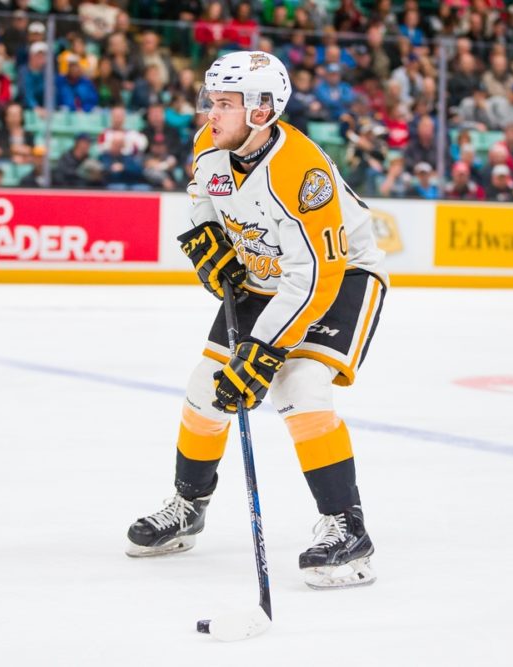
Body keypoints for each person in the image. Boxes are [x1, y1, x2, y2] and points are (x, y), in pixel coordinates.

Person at [125, 51, 387, 589]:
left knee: (300, 385)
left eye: (225, 103)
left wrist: (262, 352)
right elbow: (202, 197)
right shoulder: (210, 143)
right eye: (211, 101)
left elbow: (313, 278)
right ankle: (188, 506)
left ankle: (348, 527)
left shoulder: (302, 173)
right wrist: (205, 239)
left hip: (339, 278)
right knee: (207, 385)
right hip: (264, 274)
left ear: (262, 110)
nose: (211, 113)